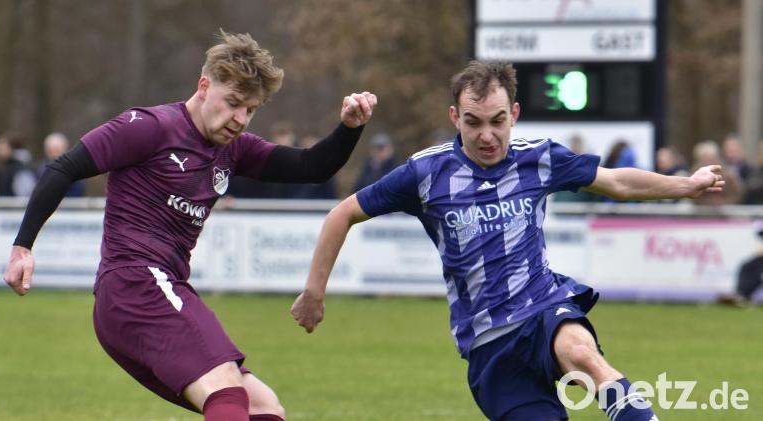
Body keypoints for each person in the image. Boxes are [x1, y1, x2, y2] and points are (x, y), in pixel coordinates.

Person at [291, 60, 724, 421]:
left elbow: (617, 183)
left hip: (542, 307)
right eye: (474, 122)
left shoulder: (539, 158)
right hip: (489, 345)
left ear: (513, 113)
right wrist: (314, 291)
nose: (487, 136)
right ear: (454, 117)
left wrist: (687, 184)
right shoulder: (425, 173)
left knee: (583, 354)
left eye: (498, 122)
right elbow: (341, 214)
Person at [4, 30, 377, 421]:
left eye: (250, 110)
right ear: (203, 86)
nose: (239, 119)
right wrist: (23, 245)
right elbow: (64, 167)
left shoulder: (234, 149)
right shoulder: (149, 127)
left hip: (157, 290)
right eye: (232, 103)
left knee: (262, 406)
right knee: (227, 390)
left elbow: (311, 167)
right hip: (135, 284)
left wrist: (349, 128)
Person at [37, 132, 85, 197]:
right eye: (51, 151)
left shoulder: (74, 169)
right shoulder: (41, 169)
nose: (54, 155)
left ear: (65, 150)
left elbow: (78, 192)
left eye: (57, 150)